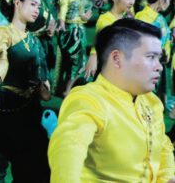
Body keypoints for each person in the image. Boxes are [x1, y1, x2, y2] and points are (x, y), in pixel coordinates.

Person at [48, 18, 175, 182]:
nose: (158, 66)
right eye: (150, 57)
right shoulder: (89, 100)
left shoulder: (152, 102)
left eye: (158, 58)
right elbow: (69, 149)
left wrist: (168, 177)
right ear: (117, 58)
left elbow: (163, 146)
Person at [0, 0, 51, 182]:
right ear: (17, 3)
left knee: (32, 168)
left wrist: (42, 88)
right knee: (1, 165)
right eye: (33, 4)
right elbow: (2, 58)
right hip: (6, 107)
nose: (37, 10)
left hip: (31, 110)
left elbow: (47, 94)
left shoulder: (36, 42)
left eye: (39, 7)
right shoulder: (3, 32)